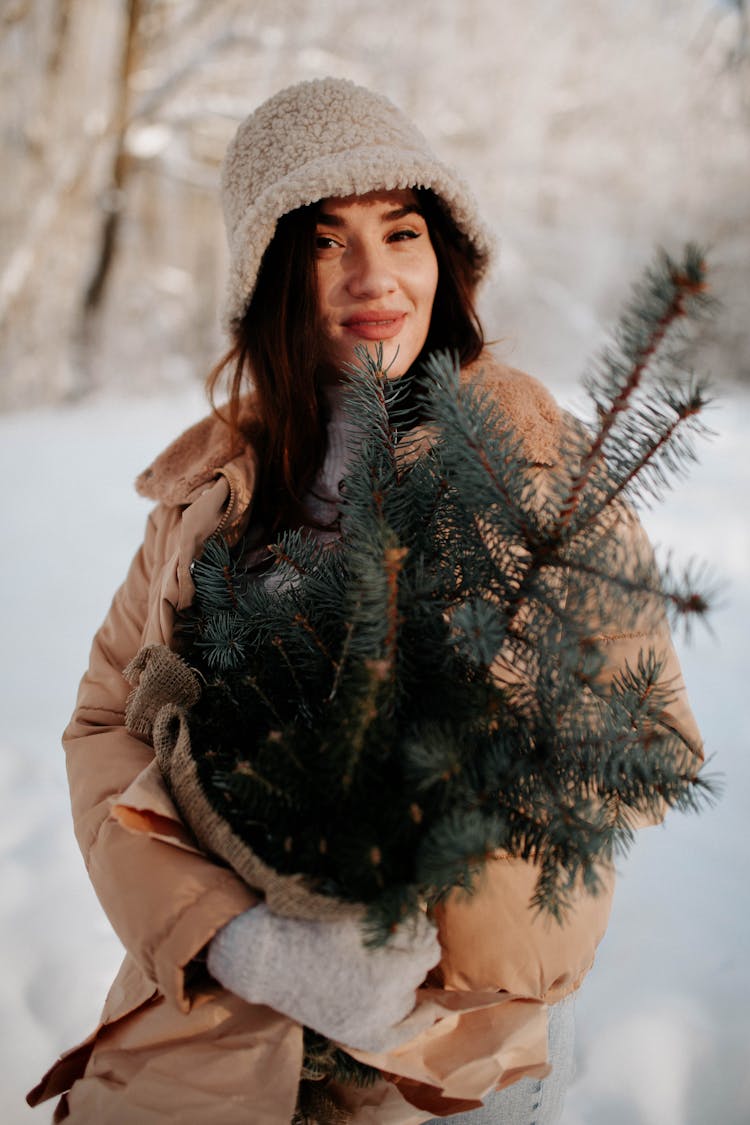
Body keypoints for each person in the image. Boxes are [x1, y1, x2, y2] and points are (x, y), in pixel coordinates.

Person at [28, 78, 702, 1124]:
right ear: (267, 277)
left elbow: (643, 742)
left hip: (434, 1058)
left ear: (448, 260)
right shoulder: (211, 494)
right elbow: (105, 723)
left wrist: (418, 930)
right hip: (198, 1045)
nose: (373, 275)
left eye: (403, 231)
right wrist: (232, 939)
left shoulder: (540, 475)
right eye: (323, 240)